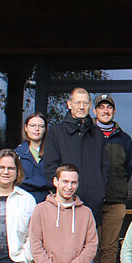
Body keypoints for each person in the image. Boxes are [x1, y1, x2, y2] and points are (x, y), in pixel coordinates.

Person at [43, 88, 109, 226]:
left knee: (90, 243)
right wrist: (59, 193)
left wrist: (100, 192)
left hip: (93, 202)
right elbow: (50, 166)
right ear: (69, 104)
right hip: (64, 201)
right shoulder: (56, 132)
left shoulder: (97, 134)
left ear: (90, 106)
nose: (81, 106)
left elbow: (104, 166)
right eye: (77, 102)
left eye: (85, 103)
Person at [94, 93, 132, 263]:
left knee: (109, 245)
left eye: (108, 107)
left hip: (115, 198)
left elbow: (127, 170)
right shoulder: (89, 134)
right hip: (91, 199)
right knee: (90, 244)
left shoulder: (124, 139)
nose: (105, 111)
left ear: (114, 111)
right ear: (95, 111)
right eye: (101, 107)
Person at [15, 113, 49, 203]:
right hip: (23, 202)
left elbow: (56, 178)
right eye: (32, 125)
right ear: (26, 128)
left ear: (45, 129)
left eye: (41, 126)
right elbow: (17, 181)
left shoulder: (53, 153)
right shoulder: (16, 154)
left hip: (47, 202)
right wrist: (45, 183)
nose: (36, 129)